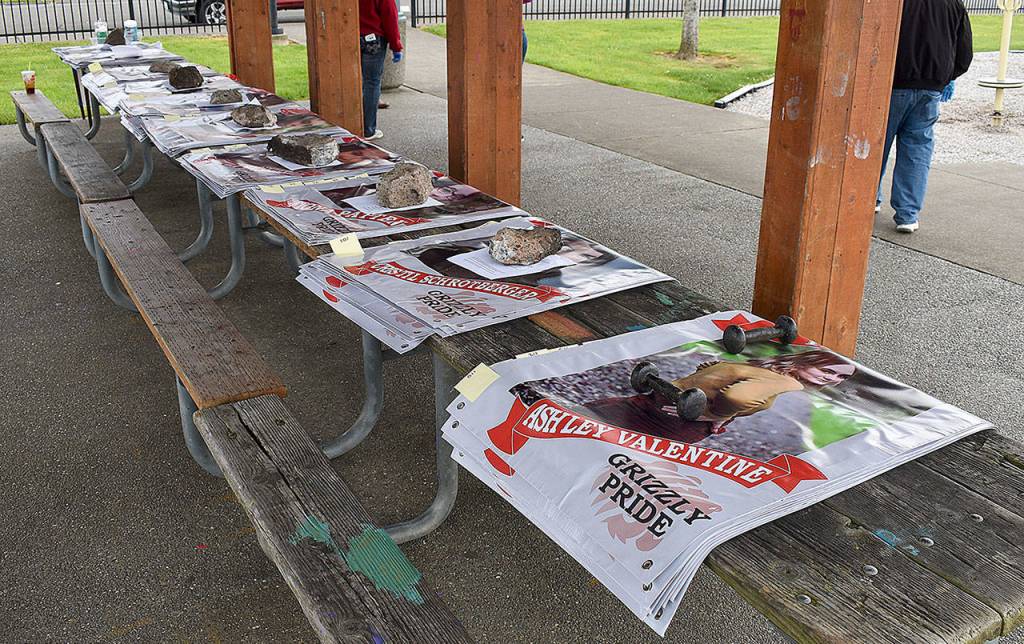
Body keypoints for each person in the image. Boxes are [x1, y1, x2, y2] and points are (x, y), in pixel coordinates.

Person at [877, 0, 972, 234]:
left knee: (877, 144)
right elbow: (964, 54)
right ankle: (907, 214)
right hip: (931, 87)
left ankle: (870, 197)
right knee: (917, 149)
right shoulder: (954, 4)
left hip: (892, 83)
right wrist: (946, 77)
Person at [359, 0, 403, 141]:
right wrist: (396, 47)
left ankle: (349, 125)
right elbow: (390, 17)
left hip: (349, 36)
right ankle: (368, 129)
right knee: (371, 82)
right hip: (373, 40)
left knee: (352, 81)